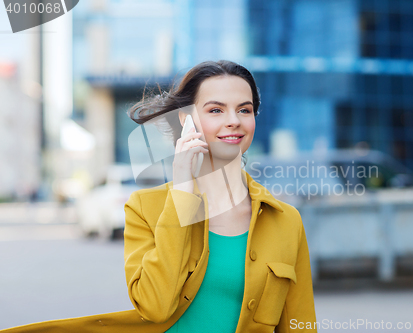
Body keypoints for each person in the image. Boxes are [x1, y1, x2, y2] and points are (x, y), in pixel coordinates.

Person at [0, 60, 317, 333]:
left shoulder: (287, 221)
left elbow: (301, 323)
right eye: (216, 109)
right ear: (186, 120)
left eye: (244, 110)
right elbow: (154, 306)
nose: (233, 120)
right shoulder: (144, 209)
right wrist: (183, 191)